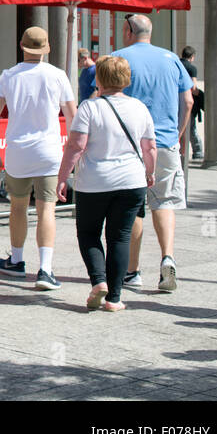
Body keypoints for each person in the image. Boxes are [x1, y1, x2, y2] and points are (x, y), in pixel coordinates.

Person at [57, 56, 157, 312]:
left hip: (94, 182)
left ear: (99, 79)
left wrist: (62, 176)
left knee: (88, 233)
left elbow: (76, 146)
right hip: (132, 180)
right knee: (120, 237)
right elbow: (150, 147)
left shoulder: (89, 108)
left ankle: (98, 281)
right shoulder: (140, 108)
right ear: (126, 79)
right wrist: (149, 172)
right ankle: (115, 298)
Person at [0, 26, 78, 290]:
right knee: (46, 208)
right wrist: (74, 152)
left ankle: (16, 260)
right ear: (46, 48)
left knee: (17, 207)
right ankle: (46, 270)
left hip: (17, 150)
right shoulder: (58, 75)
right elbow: (72, 115)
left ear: (21, 45)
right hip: (49, 150)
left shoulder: (9, 76)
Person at [113, 15, 193, 292]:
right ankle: (167, 257)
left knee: (134, 207)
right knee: (164, 202)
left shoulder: (117, 59)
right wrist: (179, 135)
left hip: (130, 145)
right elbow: (188, 99)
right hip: (166, 142)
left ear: (128, 31)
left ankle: (132, 271)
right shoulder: (172, 59)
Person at [179, 46, 204, 161]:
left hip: (175, 100)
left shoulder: (177, 64)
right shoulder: (191, 68)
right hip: (187, 100)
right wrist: (201, 95)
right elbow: (193, 88)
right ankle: (197, 152)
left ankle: (180, 152)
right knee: (190, 128)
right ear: (192, 57)